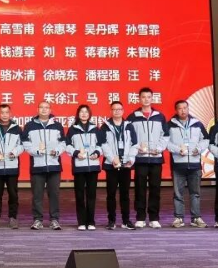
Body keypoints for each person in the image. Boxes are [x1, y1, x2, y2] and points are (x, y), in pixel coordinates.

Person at [127, 87, 169, 229]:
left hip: (156, 158)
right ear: (139, 99)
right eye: (143, 97)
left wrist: (159, 148)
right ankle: (140, 217)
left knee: (155, 188)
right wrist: (136, 147)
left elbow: (166, 135)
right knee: (139, 189)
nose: (146, 99)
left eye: (148, 97)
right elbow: (129, 137)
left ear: (152, 98)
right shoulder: (133, 117)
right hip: (140, 158)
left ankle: (154, 218)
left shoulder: (159, 116)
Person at [22, 101, 67, 230]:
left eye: (46, 107)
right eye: (41, 107)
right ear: (37, 109)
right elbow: (25, 144)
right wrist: (36, 151)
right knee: (37, 195)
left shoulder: (57, 125)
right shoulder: (30, 126)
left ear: (50, 110)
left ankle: (54, 220)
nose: (44, 109)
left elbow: (63, 143)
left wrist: (57, 151)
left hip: (54, 165)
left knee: (54, 194)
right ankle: (37, 220)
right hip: (37, 165)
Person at [166, 100, 209, 229]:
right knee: (178, 193)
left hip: (195, 164)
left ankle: (196, 218)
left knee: (195, 193)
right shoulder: (170, 124)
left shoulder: (197, 124)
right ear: (176, 110)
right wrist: (177, 149)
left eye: (185, 108)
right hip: (178, 164)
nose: (183, 110)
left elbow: (206, 139)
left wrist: (199, 149)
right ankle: (178, 218)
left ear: (188, 108)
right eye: (180, 108)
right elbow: (165, 142)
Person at [101, 101, 137, 230]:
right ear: (111, 111)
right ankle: (111, 221)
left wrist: (131, 159)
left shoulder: (129, 126)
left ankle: (126, 221)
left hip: (125, 164)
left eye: (119, 109)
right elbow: (103, 144)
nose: (117, 111)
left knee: (125, 194)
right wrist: (112, 159)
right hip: (111, 165)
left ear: (123, 111)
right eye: (114, 109)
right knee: (111, 194)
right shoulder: (105, 126)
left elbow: (134, 144)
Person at [66, 104, 103, 231]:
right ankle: (81, 221)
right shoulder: (72, 129)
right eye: (81, 112)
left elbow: (100, 145)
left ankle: (91, 221)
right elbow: (67, 146)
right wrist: (76, 153)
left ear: (89, 114)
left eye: (86, 112)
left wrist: (97, 153)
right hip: (79, 166)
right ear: (78, 114)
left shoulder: (95, 128)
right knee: (80, 195)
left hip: (93, 166)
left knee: (91, 195)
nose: (84, 114)